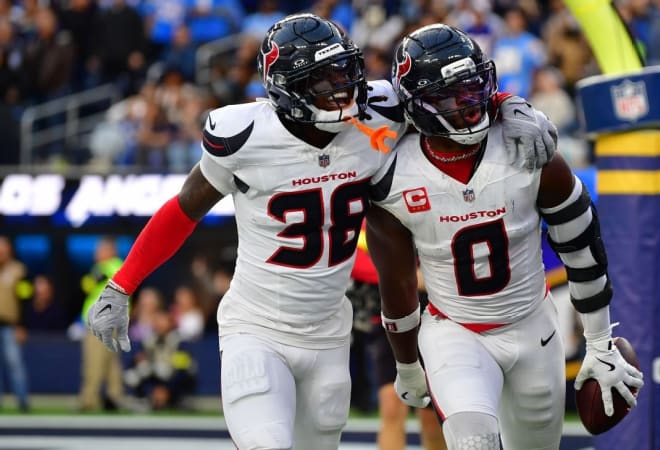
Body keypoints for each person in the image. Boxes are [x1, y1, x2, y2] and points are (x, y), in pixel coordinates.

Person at [84, 14, 557, 450]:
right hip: (257, 327)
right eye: (323, 80)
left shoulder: (379, 111)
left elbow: (445, 87)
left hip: (330, 332)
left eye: (344, 72)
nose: (342, 88)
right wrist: (123, 283)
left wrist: (511, 105)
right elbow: (183, 210)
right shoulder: (245, 137)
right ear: (286, 89)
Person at [365, 24, 644, 450]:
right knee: (473, 439)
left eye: (474, 87)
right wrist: (406, 365)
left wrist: (600, 341)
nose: (469, 103)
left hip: (534, 328)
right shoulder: (391, 176)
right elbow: (397, 285)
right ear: (418, 104)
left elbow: (583, 251)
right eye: (451, 96)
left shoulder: (529, 150)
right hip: (455, 331)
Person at [349, 221, 445, 450]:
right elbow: (360, 263)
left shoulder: (428, 214)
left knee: (431, 418)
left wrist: (417, 278)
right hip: (388, 319)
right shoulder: (371, 216)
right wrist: (410, 277)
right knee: (391, 406)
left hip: (432, 316)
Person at [78, 236, 126, 412]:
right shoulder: (115, 267)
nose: (97, 253)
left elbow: (88, 283)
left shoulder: (111, 266)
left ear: (111, 251)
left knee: (94, 362)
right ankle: (115, 398)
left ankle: (89, 400)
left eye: (100, 250)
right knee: (111, 363)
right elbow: (87, 286)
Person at [0, 236, 30, 412]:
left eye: (3, 248)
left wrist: (22, 325)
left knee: (15, 363)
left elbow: (25, 298)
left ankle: (22, 401)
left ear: (9, 250)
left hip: (10, 325)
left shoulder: (18, 270)